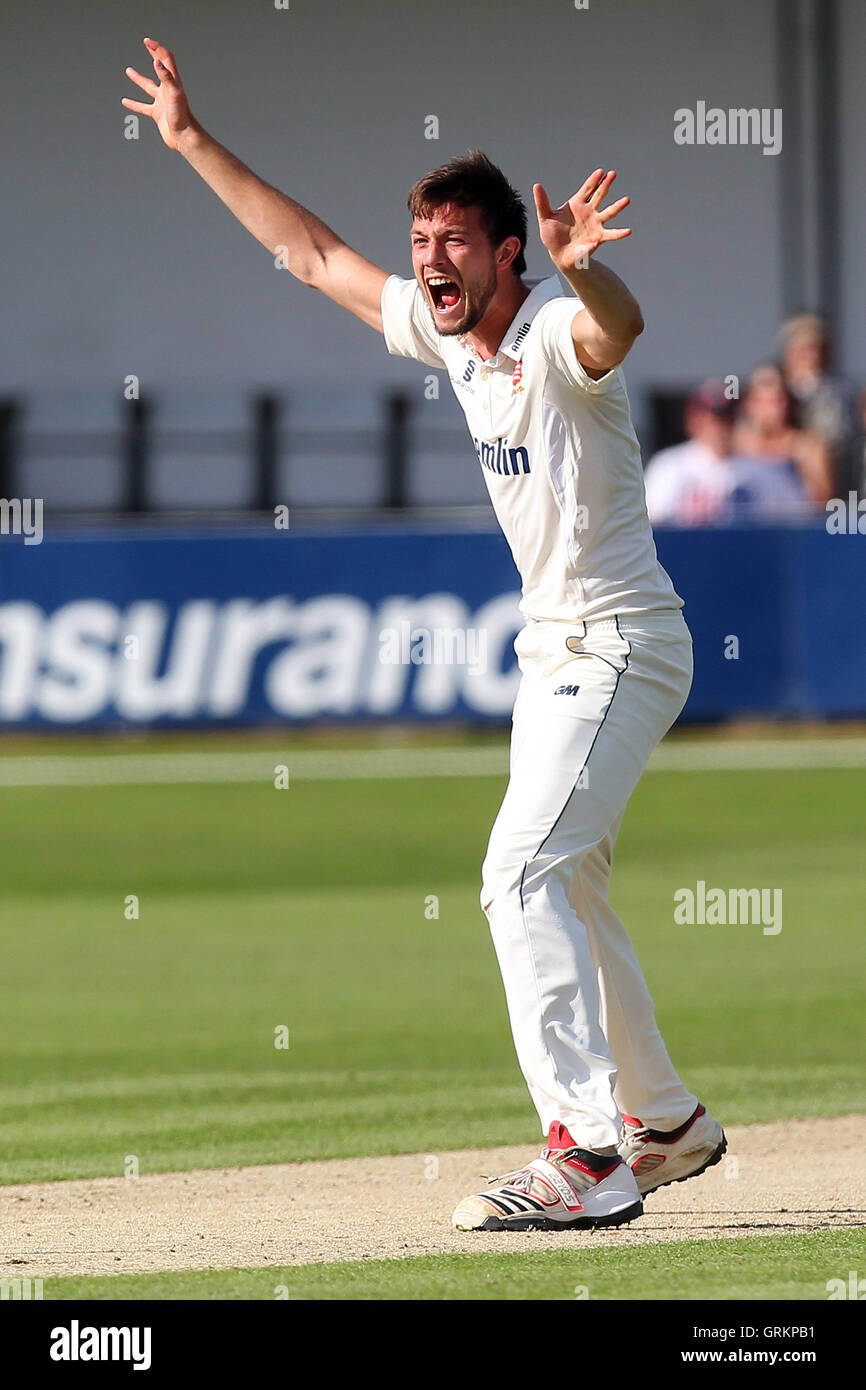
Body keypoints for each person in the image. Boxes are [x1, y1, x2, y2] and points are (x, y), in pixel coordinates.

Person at [124, 37, 726, 1232]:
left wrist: (584, 273)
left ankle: (586, 1155)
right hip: (553, 655)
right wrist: (191, 140)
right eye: (422, 243)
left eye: (454, 242)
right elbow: (308, 254)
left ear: (510, 253)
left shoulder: (554, 328)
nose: (429, 261)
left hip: (616, 643)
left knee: (516, 873)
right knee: (573, 881)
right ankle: (660, 1120)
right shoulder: (450, 339)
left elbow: (620, 327)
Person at [733, 363, 833, 513]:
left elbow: (824, 503)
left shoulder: (808, 446)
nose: (777, 409)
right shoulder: (734, 444)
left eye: (781, 400)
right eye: (766, 402)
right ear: (750, 404)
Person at [643, 380, 741, 525]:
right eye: (710, 419)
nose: (719, 427)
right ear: (692, 420)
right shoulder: (668, 466)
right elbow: (648, 522)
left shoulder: (760, 466)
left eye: (726, 418)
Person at [778, 314, 854, 493]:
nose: (812, 356)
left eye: (817, 349)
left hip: (825, 490)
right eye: (804, 349)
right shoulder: (771, 386)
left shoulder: (837, 393)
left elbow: (834, 440)